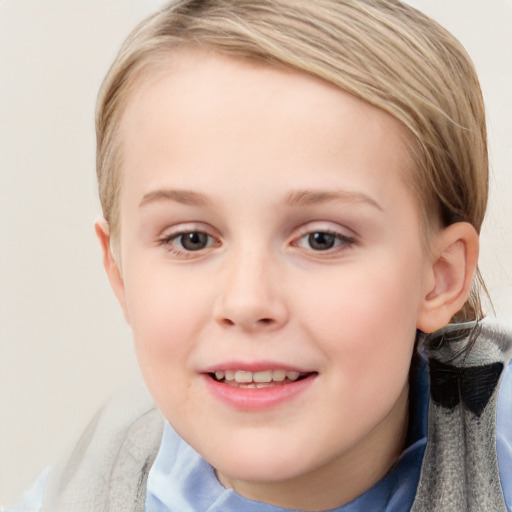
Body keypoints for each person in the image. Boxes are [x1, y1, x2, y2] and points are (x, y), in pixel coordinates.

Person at [4, 0, 512, 510]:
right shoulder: (76, 496)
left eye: (322, 239)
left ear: (439, 277)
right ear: (119, 274)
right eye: (191, 239)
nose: (247, 301)